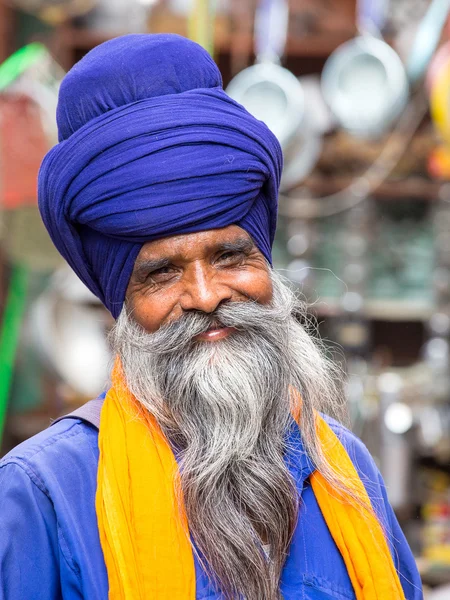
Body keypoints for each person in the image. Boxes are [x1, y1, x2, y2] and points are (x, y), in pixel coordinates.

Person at [0, 34, 422, 600]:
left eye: (230, 256)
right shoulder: (41, 495)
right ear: (119, 300)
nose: (205, 294)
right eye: (162, 273)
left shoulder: (344, 470)